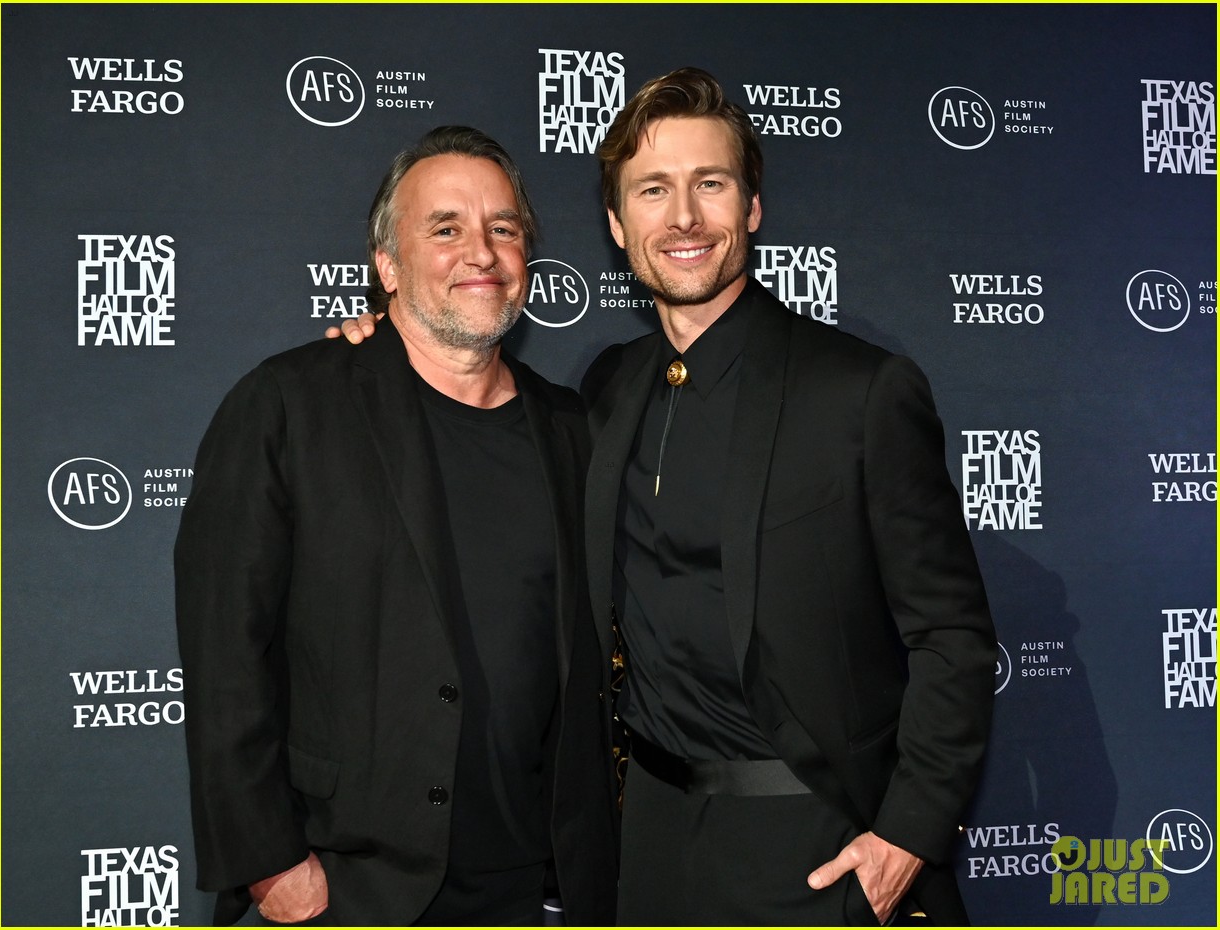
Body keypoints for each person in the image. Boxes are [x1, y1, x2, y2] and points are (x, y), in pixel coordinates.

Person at [338, 69, 996, 926]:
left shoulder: (860, 392)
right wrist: (380, 344)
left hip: (814, 846)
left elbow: (954, 636)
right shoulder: (608, 387)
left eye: (709, 184)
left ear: (751, 206)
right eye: (653, 190)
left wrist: (905, 838)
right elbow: (470, 396)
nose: (683, 217)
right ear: (618, 226)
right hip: (642, 840)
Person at [175, 126, 617, 927]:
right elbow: (222, 654)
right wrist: (269, 861)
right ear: (387, 265)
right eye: (444, 228)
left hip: (533, 890)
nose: (480, 250)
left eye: (504, 228)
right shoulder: (289, 406)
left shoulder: (572, 429)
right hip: (349, 889)